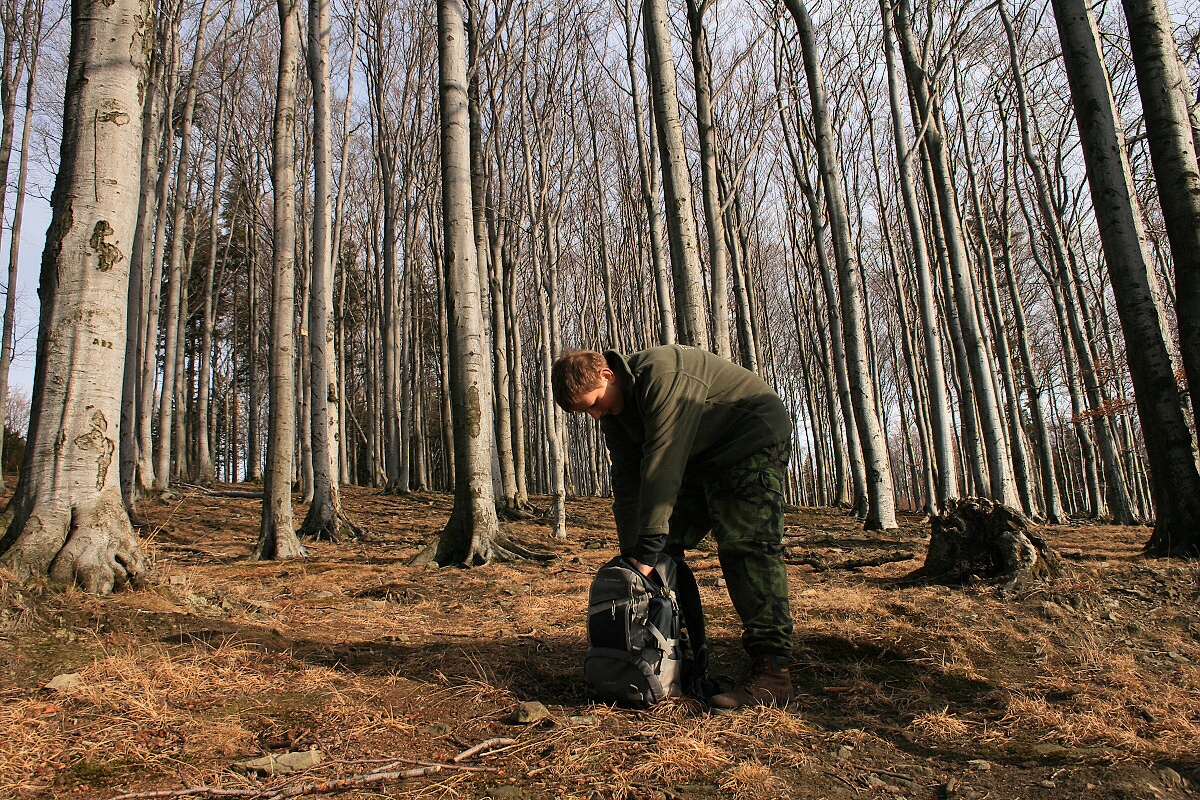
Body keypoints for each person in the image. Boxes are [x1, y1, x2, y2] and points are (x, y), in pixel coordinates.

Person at [552, 345, 795, 709]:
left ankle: (774, 671)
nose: (595, 414)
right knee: (662, 555)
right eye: (585, 411)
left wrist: (648, 545)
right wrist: (635, 559)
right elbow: (628, 481)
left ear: (607, 376)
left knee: (746, 545)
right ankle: (675, 655)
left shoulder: (662, 377)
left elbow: (662, 464)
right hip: (702, 454)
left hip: (750, 437)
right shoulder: (615, 413)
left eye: (594, 403)